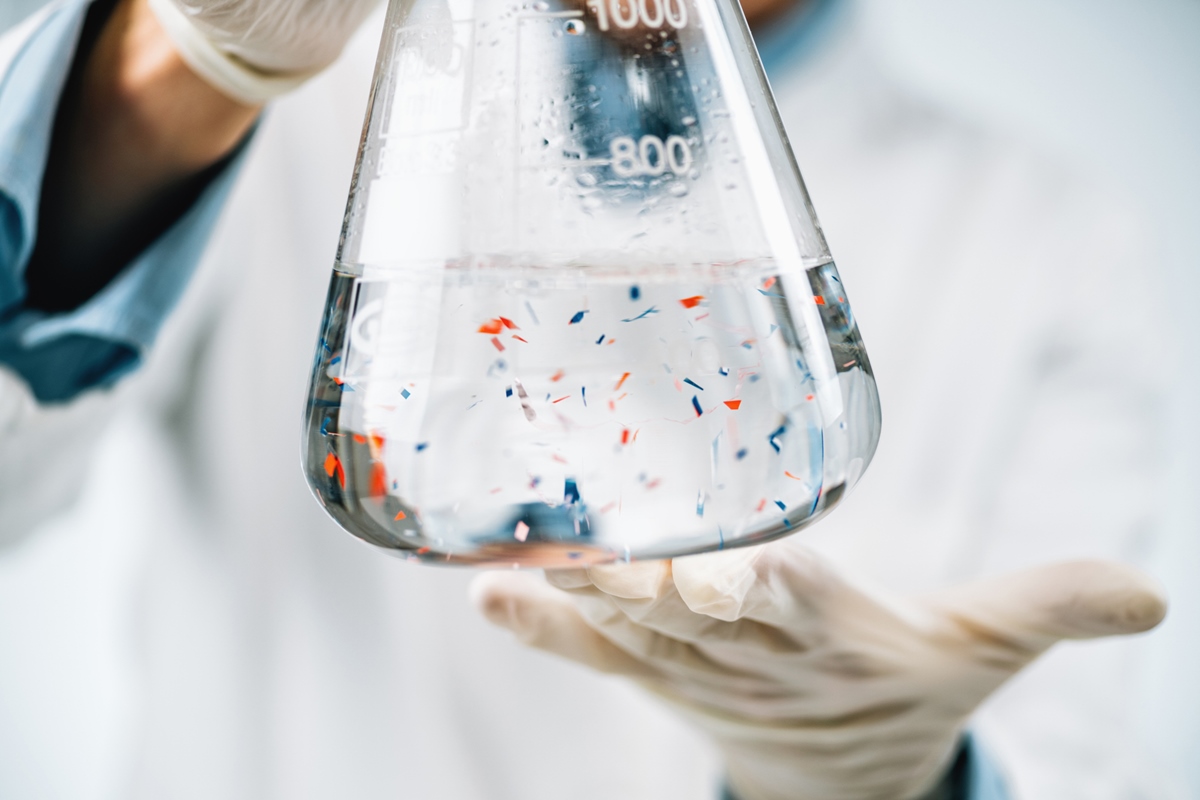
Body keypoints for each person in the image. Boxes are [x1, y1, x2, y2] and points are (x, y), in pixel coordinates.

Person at [0, 0, 1178, 797]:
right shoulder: (311, 85)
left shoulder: (1045, 235)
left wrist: (903, 775)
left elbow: (1066, 754)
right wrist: (178, 78)